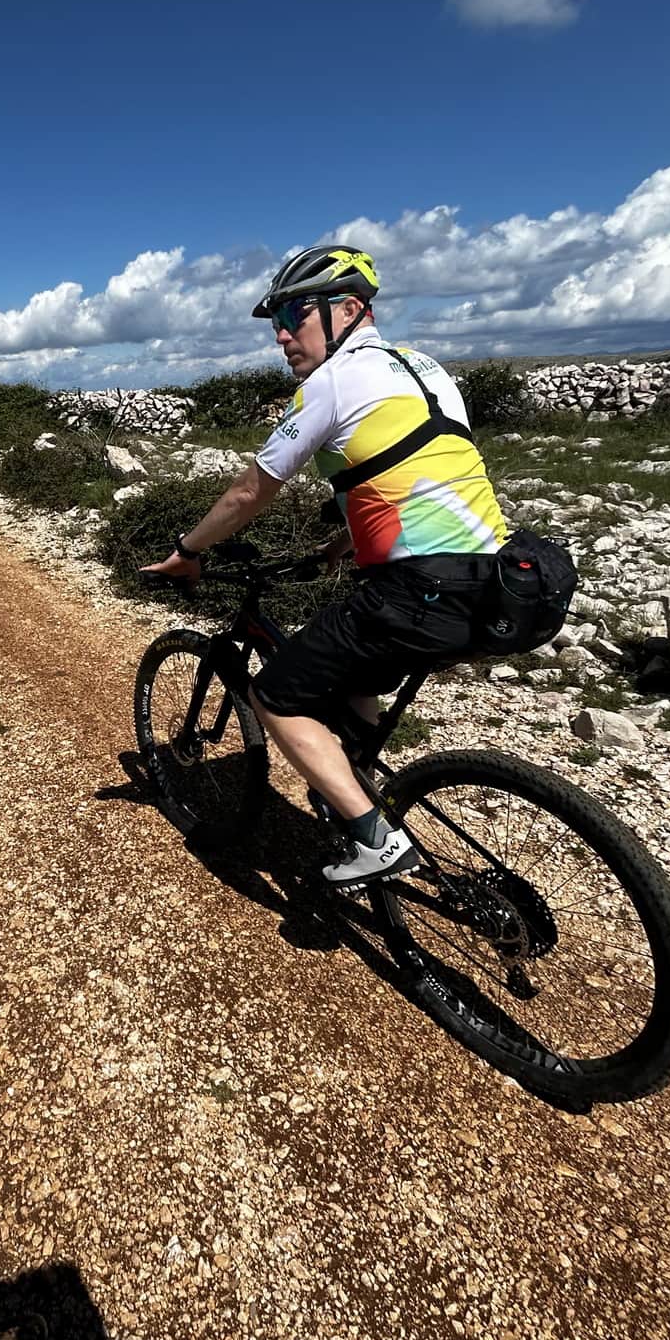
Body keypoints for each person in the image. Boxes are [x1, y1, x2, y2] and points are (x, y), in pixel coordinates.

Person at [140, 245, 510, 887]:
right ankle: (353, 784)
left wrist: (188, 551)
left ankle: (375, 839)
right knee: (353, 675)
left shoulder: (332, 382)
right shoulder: (428, 368)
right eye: (277, 319)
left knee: (275, 695)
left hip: (416, 586)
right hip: (494, 579)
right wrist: (340, 544)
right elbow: (411, 466)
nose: (282, 333)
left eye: (294, 313)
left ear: (347, 309)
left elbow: (248, 493)